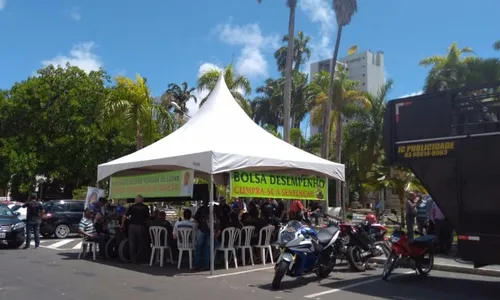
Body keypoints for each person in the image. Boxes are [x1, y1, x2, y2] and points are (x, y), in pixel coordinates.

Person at [121, 195, 150, 263]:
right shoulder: (145, 207)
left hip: (132, 226)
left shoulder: (132, 207)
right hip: (140, 226)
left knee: (132, 243)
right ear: (142, 200)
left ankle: (133, 259)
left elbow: (125, 216)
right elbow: (147, 218)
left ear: (136, 200)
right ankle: (140, 258)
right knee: (141, 242)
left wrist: (122, 224)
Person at [193, 202, 210, 270]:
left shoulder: (200, 209)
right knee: (207, 248)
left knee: (198, 248)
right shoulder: (212, 209)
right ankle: (206, 265)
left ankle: (197, 265)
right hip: (209, 230)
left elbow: (195, 220)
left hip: (201, 229)